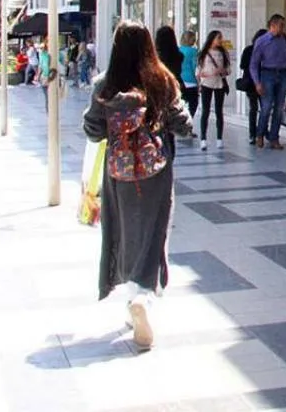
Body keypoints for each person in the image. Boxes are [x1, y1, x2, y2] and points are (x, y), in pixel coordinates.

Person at [82, 20, 193, 352]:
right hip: (157, 172)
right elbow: (183, 125)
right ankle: (142, 296)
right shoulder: (162, 80)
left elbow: (92, 130)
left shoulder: (105, 83)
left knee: (122, 231)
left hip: (119, 173)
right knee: (154, 231)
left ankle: (132, 296)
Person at [249, 14, 286, 150]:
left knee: (279, 108)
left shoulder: (284, 40)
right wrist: (257, 82)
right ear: (273, 25)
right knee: (266, 106)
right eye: (281, 25)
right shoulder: (262, 41)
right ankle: (260, 134)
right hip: (267, 73)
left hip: (282, 74)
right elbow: (254, 64)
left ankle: (274, 137)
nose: (283, 28)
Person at [196, 30, 232, 151]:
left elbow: (228, 69)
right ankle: (203, 139)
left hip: (219, 84)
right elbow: (198, 71)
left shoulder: (223, 53)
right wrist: (206, 76)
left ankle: (219, 138)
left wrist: (223, 71)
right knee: (205, 111)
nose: (220, 40)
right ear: (212, 39)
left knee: (219, 111)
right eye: (218, 38)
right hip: (206, 84)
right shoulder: (204, 53)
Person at [239, 27, 269, 145]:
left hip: (258, 82)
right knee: (260, 108)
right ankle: (259, 132)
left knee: (256, 108)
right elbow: (243, 65)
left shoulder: (249, 49)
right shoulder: (251, 50)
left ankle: (256, 133)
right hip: (254, 82)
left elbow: (242, 65)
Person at [178, 31, 200, 116]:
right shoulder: (193, 51)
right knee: (193, 103)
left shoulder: (178, 49)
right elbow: (195, 66)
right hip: (190, 80)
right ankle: (189, 119)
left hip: (180, 80)